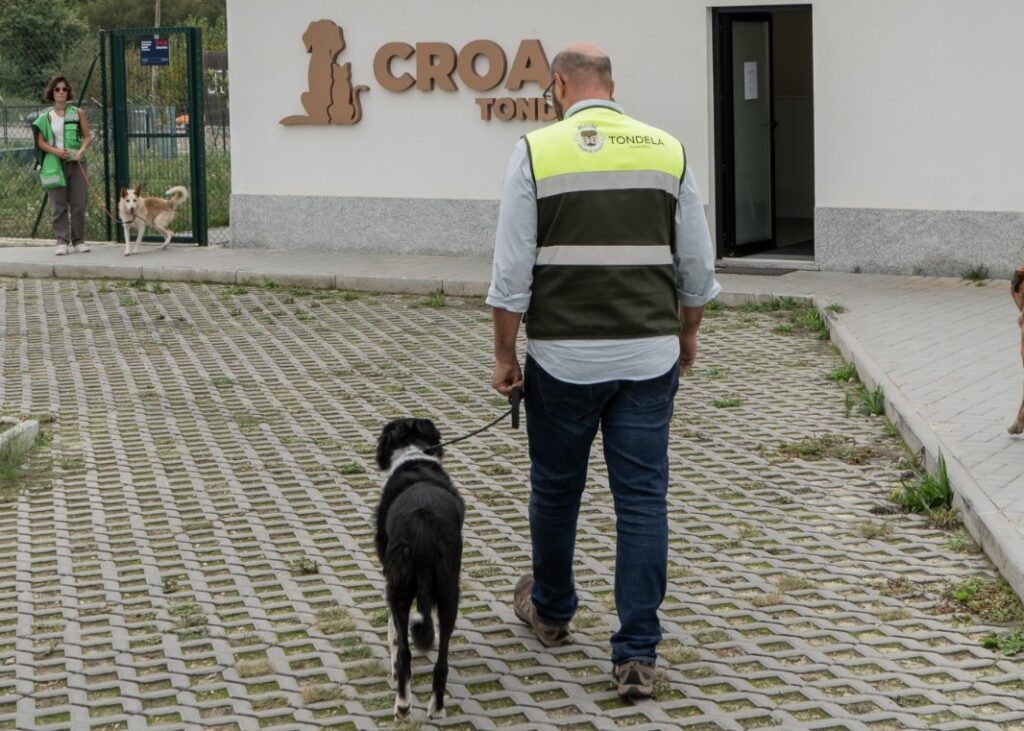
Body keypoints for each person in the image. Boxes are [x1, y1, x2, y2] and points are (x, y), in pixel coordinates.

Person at [487, 42, 720, 700]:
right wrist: (689, 333)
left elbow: (510, 275)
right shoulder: (666, 150)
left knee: (557, 488)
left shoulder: (535, 151)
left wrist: (505, 356)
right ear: (612, 86)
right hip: (649, 358)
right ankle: (637, 652)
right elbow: (697, 268)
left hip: (563, 359)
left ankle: (554, 611)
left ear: (559, 84)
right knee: (642, 500)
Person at [33, 74, 92, 256]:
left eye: (64, 89)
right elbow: (40, 142)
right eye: (57, 89)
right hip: (54, 164)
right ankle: (62, 240)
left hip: (76, 163)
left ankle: (79, 240)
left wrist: (81, 150)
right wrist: (56, 151)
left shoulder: (78, 112)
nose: (61, 92)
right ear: (52, 92)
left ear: (68, 92)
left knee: (78, 204)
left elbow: (87, 136)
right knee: (58, 205)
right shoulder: (46, 117)